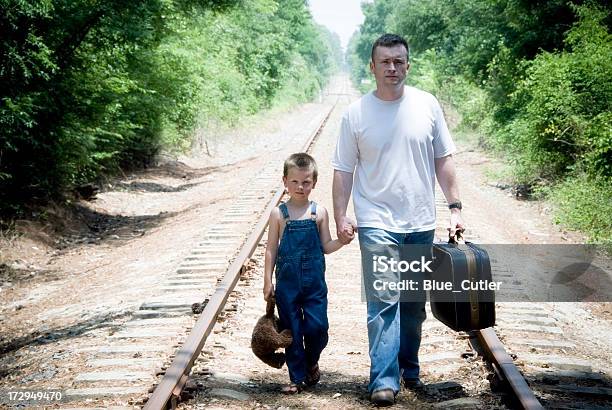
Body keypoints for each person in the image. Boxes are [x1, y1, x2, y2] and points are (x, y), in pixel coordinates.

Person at [331, 33, 465, 406]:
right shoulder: (355, 114)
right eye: (385, 61)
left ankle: (410, 370)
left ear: (408, 64)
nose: (392, 67)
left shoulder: (427, 105)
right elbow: (343, 170)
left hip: (420, 220)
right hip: (375, 220)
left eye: (399, 61)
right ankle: (383, 380)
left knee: (412, 304)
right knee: (383, 301)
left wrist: (455, 208)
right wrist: (341, 216)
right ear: (372, 66)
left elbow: (443, 160)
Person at [263, 152, 350, 394]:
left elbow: (326, 247)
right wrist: (267, 281)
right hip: (287, 284)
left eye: (306, 182)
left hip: (314, 284)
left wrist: (342, 241)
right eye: (295, 182)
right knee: (292, 331)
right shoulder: (279, 214)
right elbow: (271, 250)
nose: (300, 187)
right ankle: (297, 377)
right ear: (285, 182)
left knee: (318, 328)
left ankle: (312, 360)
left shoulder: (318, 212)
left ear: (314, 183)